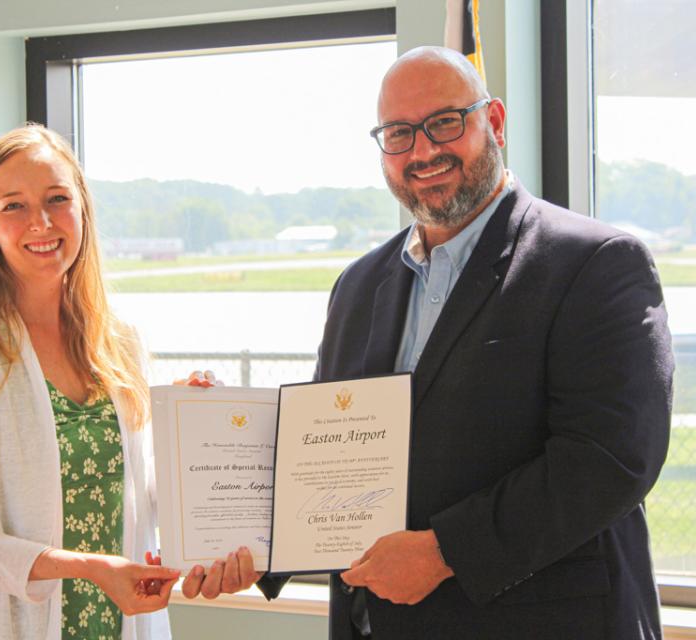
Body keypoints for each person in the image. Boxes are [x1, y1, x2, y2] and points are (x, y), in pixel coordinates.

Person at [260, 46, 674, 639]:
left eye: (444, 123)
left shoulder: (597, 263)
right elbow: (326, 457)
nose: (423, 150)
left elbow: (610, 458)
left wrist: (444, 551)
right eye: (399, 133)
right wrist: (248, 544)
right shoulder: (357, 286)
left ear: (495, 122)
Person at [0, 125, 255, 640]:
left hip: (120, 625)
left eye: (57, 199)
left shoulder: (121, 343)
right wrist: (86, 567)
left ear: (82, 207)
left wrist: (191, 436)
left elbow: (134, 493)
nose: (40, 222)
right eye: (14, 206)